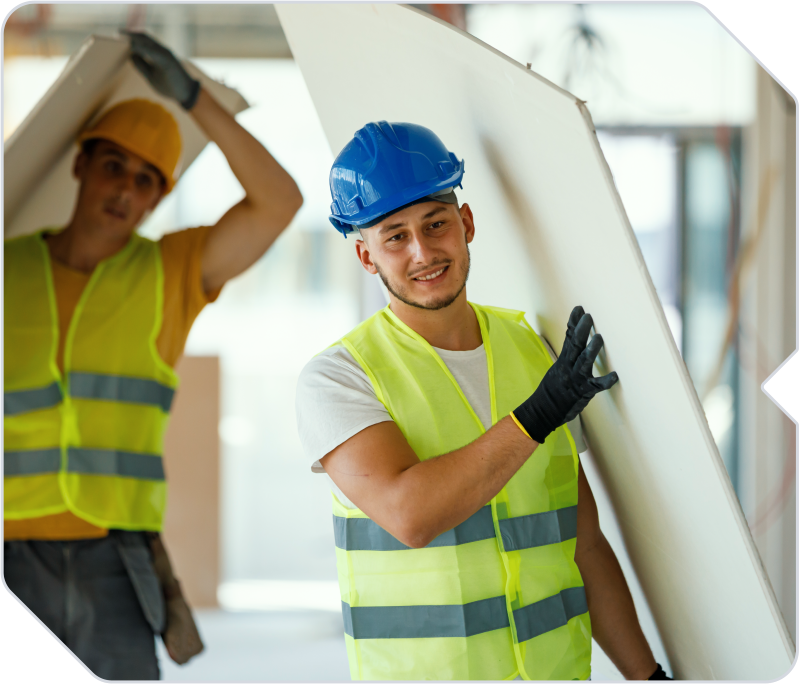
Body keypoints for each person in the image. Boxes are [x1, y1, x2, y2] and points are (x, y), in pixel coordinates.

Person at [296, 121, 671, 680]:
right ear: (366, 256)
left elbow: (584, 544)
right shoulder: (340, 377)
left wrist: (647, 676)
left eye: (436, 223)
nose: (423, 251)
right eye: (394, 236)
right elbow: (411, 515)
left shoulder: (535, 351)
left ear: (466, 223)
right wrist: (538, 414)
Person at [4, 32, 302, 680]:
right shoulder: (7, 269)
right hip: (7, 554)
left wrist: (195, 99)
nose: (126, 190)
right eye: (114, 165)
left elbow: (280, 203)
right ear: (81, 165)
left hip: (116, 558)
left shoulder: (173, 271)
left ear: (157, 198)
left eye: (147, 180)